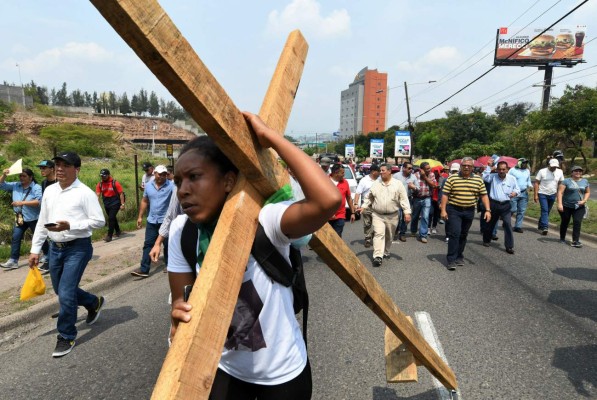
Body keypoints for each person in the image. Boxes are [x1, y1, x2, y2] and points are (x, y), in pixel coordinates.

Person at [168, 112, 341, 399]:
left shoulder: (265, 220)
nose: (183, 191)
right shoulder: (181, 231)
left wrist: (271, 138)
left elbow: (328, 200)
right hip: (224, 370)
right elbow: (181, 299)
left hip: (283, 375)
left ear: (228, 181)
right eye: (178, 181)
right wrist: (177, 313)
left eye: (194, 177)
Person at [28, 152, 106, 357]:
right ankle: (93, 302)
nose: (60, 168)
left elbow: (99, 221)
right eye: (58, 165)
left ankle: (66, 335)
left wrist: (71, 225)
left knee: (66, 292)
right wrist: (35, 249)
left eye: (66, 165)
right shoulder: (50, 191)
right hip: (55, 248)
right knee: (60, 289)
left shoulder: (85, 193)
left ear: (77, 169)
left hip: (78, 248)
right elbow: (42, 220)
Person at [440, 157, 490, 271]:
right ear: (461, 166)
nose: (466, 167)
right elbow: (445, 194)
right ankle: (451, 259)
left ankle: (459, 256)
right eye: (464, 165)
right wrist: (443, 210)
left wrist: (487, 210)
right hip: (454, 210)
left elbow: (484, 195)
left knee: (463, 234)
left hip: (469, 210)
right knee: (455, 234)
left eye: (469, 165)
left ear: (473, 167)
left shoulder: (478, 180)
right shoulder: (452, 178)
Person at [131, 165, 174, 278]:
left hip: (166, 221)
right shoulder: (149, 186)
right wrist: (140, 217)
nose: (162, 176)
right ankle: (144, 269)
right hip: (152, 220)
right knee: (148, 244)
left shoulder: (171, 186)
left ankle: (170, 265)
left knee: (168, 244)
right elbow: (145, 200)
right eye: (160, 174)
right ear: (154, 173)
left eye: (164, 174)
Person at [368, 164, 411, 268]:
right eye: (380, 170)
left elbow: (403, 199)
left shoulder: (398, 184)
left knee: (389, 236)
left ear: (389, 171)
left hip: (393, 216)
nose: (381, 172)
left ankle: (386, 251)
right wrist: (363, 206)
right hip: (378, 214)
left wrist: (407, 212)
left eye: (383, 170)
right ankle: (378, 256)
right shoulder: (376, 183)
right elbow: (369, 197)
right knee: (379, 234)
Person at [0, 168, 42, 269]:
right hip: (20, 217)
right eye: (20, 176)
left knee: (39, 238)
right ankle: (13, 260)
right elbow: (1, 185)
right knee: (16, 237)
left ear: (30, 177)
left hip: (33, 218)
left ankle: (48, 255)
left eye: (24, 176)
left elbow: (38, 201)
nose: (21, 178)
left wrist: (21, 203)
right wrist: (4, 175)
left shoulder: (36, 187)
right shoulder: (16, 185)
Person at [482, 161, 520, 254]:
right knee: (490, 223)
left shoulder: (512, 178)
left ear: (507, 169)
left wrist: (515, 193)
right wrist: (489, 167)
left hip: (505, 205)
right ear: (497, 169)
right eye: (500, 169)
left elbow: (517, 189)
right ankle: (486, 240)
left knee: (507, 224)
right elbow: (484, 177)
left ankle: (509, 246)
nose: (502, 171)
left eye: (504, 169)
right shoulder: (493, 177)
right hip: (494, 204)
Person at [557, 165, 590, 247]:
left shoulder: (585, 181)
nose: (578, 172)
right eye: (576, 171)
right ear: (572, 172)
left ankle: (575, 241)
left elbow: (587, 192)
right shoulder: (566, 181)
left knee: (577, 222)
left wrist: (584, 200)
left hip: (579, 207)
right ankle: (562, 237)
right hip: (566, 206)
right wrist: (560, 204)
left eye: (580, 171)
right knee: (565, 222)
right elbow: (560, 192)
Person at [37, 159, 57, 274]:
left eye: (44, 168)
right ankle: (50, 261)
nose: (42, 170)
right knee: (50, 237)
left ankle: (50, 262)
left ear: (52, 169)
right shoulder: (44, 183)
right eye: (40, 168)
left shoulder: (59, 181)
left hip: (60, 214)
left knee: (54, 238)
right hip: (49, 214)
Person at [534, 158, 564, 235]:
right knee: (544, 210)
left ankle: (541, 224)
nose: (554, 167)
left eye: (555, 166)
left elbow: (560, 183)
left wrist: (559, 194)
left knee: (547, 211)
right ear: (549, 165)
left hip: (552, 194)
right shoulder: (542, 171)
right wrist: (535, 195)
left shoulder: (560, 172)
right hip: (542, 193)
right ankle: (545, 227)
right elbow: (537, 183)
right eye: (552, 166)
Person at [410, 162, 437, 243]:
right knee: (415, 216)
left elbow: (433, 185)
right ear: (421, 169)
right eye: (427, 169)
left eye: (429, 168)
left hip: (427, 198)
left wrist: (425, 177)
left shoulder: (431, 175)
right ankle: (413, 231)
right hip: (417, 198)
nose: (429, 170)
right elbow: (411, 185)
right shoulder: (415, 175)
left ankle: (423, 235)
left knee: (425, 217)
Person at [95, 168, 125, 242]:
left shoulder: (115, 183)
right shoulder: (100, 184)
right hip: (106, 203)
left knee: (111, 218)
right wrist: (97, 204)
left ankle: (109, 236)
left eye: (104, 176)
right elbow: (97, 195)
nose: (103, 177)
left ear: (108, 175)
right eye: (101, 176)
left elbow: (121, 193)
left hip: (115, 202)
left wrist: (122, 204)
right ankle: (118, 231)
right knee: (112, 217)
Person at [354, 164, 380, 247]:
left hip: (378, 206)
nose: (380, 172)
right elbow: (358, 193)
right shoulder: (364, 180)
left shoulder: (380, 180)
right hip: (366, 206)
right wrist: (355, 204)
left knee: (378, 223)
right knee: (367, 223)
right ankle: (368, 238)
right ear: (373, 172)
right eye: (378, 171)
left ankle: (373, 235)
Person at [328, 163, 355, 237]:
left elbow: (349, 198)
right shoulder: (325, 181)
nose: (344, 175)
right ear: (336, 173)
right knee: (327, 238)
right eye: (342, 173)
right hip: (326, 216)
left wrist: (352, 213)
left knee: (337, 237)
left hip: (340, 215)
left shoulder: (345, 182)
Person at [392, 161, 418, 242]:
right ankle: (395, 230)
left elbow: (418, 188)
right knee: (397, 216)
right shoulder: (396, 176)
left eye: (412, 168)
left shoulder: (413, 177)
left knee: (405, 217)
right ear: (404, 168)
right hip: (397, 200)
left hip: (408, 199)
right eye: (409, 168)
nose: (411, 170)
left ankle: (402, 233)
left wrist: (413, 187)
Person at [508, 158, 532, 233]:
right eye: (523, 163)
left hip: (524, 193)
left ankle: (518, 226)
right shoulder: (512, 170)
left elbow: (528, 181)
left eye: (526, 163)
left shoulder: (527, 171)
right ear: (519, 163)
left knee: (521, 211)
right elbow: (507, 179)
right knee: (513, 209)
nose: (525, 164)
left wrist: (530, 186)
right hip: (514, 193)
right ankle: (506, 221)